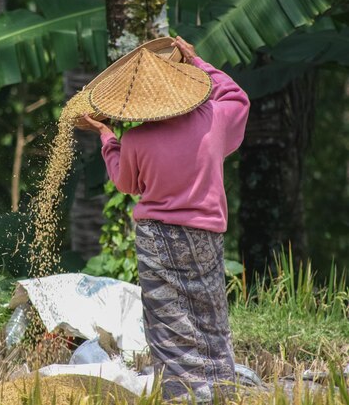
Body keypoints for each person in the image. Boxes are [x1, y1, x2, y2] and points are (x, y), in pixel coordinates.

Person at [80, 36, 250, 402]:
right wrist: (198, 60)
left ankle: (184, 396)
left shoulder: (137, 139)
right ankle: (221, 391)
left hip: (158, 239)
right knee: (210, 315)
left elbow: (125, 183)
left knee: (169, 324)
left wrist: (106, 135)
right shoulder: (213, 119)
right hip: (206, 234)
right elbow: (237, 98)